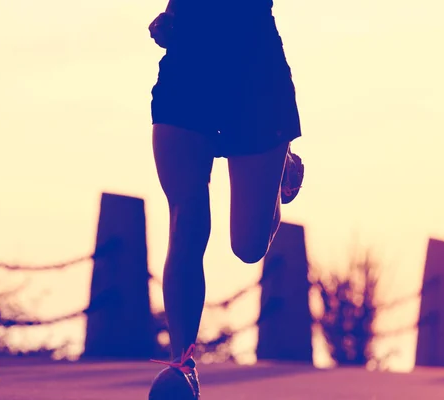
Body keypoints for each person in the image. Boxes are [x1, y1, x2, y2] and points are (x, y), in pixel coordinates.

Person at [147, 1, 304, 398]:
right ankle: (182, 364)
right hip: (187, 61)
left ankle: (279, 167)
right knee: (186, 218)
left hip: (255, 73)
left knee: (248, 247)